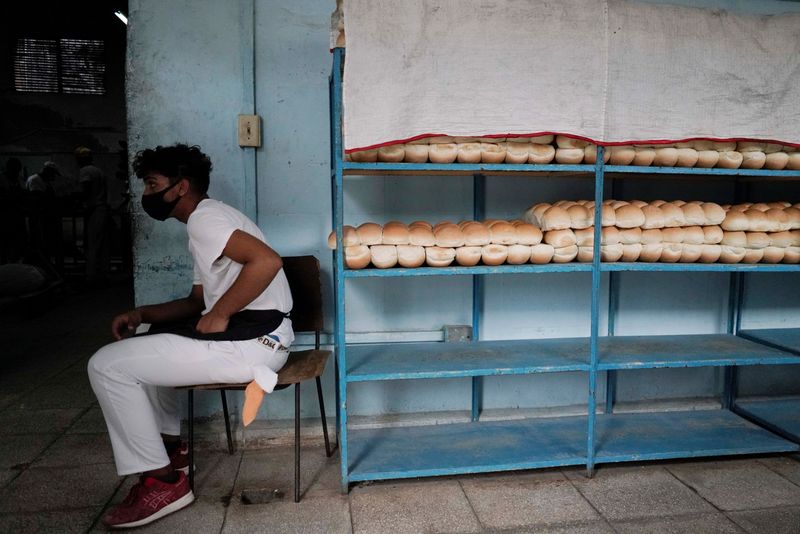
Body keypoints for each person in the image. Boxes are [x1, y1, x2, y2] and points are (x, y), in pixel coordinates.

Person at [87, 143, 293, 528]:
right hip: (260, 337)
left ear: (181, 187)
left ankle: (163, 482)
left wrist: (222, 312)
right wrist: (142, 314)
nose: (147, 194)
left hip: (257, 342)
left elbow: (267, 261)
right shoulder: (207, 222)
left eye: (152, 184)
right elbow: (197, 301)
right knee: (146, 335)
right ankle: (169, 449)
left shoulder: (205, 219)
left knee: (105, 366)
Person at [74, 146, 110, 284]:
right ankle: (103, 274)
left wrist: (75, 198)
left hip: (94, 210)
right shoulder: (98, 171)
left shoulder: (85, 171)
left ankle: (91, 276)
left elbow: (85, 191)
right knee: (102, 245)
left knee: (92, 245)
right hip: (102, 209)